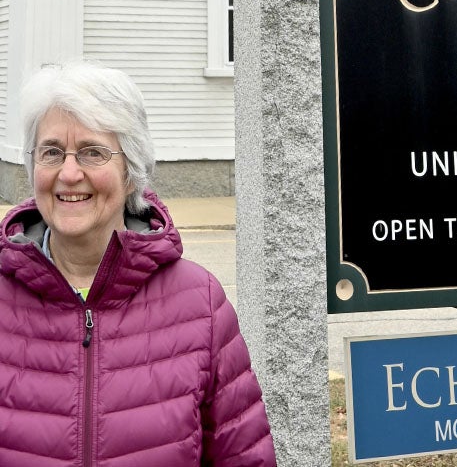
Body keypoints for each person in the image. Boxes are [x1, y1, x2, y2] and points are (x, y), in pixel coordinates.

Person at [0, 60, 276, 466]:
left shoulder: (201, 305)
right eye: (52, 152)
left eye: (93, 152)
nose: (69, 172)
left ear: (131, 172)